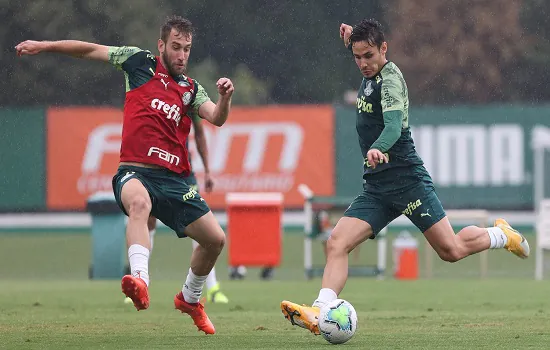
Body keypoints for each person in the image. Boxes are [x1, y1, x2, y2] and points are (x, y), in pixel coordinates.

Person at [280, 18, 530, 335]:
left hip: (408, 181)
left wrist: (379, 148)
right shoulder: (365, 58)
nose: (362, 63)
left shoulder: (392, 82)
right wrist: (350, 38)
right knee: (337, 243)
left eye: (368, 56)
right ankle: (320, 311)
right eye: (357, 56)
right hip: (378, 188)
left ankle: (501, 235)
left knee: (450, 250)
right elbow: (360, 45)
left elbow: (394, 126)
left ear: (384, 49)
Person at [16, 15, 234, 335]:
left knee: (215, 240)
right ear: (161, 46)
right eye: (175, 47)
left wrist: (226, 98)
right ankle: (140, 281)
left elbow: (216, 118)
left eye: (187, 49)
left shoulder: (190, 89)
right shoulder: (138, 61)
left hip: (174, 180)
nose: (181, 55)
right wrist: (45, 45)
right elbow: (88, 51)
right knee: (139, 205)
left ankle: (190, 298)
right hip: (135, 171)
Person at [136, 118, 229, 304]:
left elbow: (200, 132)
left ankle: (212, 288)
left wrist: (208, 170)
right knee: (147, 219)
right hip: (154, 173)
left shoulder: (187, 94)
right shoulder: (151, 97)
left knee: (203, 230)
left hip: (184, 174)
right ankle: (140, 283)